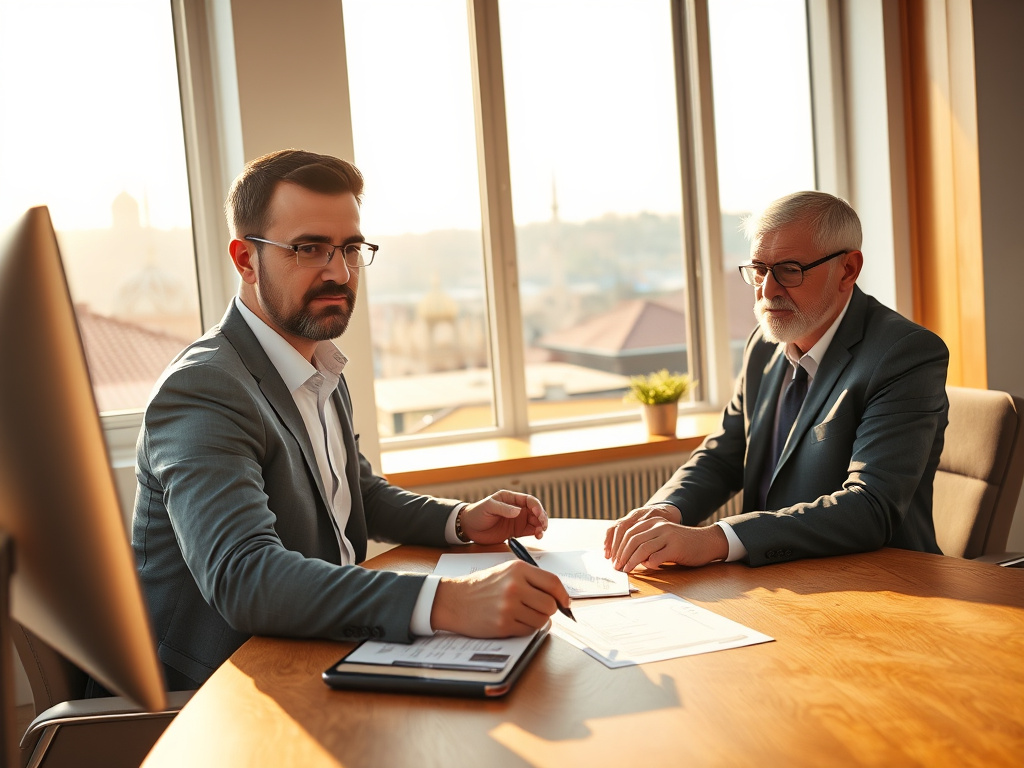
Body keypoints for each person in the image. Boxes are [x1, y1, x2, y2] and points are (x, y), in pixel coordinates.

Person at [132, 149, 569, 690]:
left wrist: (457, 521)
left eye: (351, 248)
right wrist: (447, 601)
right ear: (245, 260)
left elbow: (353, 491)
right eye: (309, 249)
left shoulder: (316, 362)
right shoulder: (204, 389)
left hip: (318, 651)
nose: (339, 272)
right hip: (224, 692)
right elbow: (244, 577)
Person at [605, 191, 949, 572]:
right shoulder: (764, 343)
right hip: (773, 580)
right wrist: (664, 510)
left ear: (848, 270)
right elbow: (724, 455)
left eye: (789, 269)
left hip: (881, 587)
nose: (767, 290)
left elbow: (870, 507)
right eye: (759, 269)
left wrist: (716, 539)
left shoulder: (906, 354)